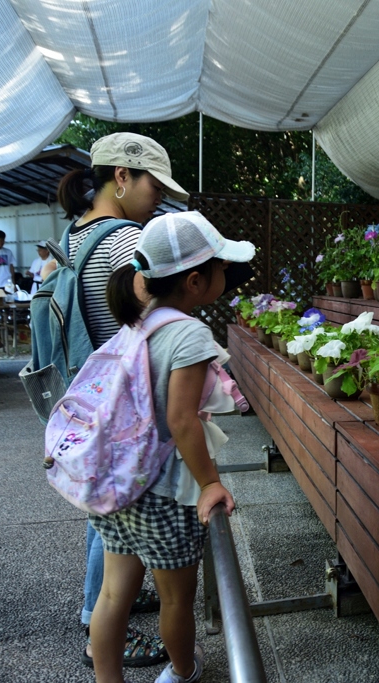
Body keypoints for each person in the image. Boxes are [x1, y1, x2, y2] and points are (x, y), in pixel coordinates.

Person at [92, 211, 254, 683]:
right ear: (197, 281)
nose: (228, 274)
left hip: (117, 481)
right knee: (176, 598)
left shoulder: (138, 322)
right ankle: (183, 670)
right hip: (162, 491)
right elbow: (181, 420)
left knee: (112, 595)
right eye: (223, 267)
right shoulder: (188, 332)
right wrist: (210, 484)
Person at [56, 131, 189, 668]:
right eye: (154, 184)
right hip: (121, 403)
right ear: (122, 176)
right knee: (111, 507)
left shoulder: (75, 234)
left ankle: (108, 603)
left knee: (103, 504)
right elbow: (146, 318)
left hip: (85, 392)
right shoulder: (123, 242)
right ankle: (96, 625)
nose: (159, 195)